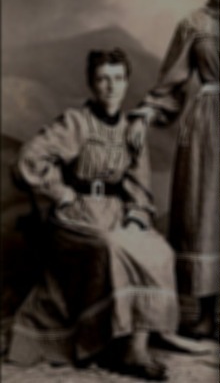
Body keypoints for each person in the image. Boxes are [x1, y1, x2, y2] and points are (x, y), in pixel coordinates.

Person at [7, 48, 178, 381]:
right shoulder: (76, 123)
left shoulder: (131, 129)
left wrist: (137, 215)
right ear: (92, 83)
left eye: (116, 78)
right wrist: (60, 192)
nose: (109, 87)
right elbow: (28, 160)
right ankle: (100, 343)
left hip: (115, 210)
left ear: (126, 82)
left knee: (156, 250)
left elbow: (139, 186)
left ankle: (134, 346)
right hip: (77, 213)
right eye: (102, 79)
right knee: (112, 247)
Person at [127, 0, 220, 339]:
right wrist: (148, 110)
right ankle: (200, 311)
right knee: (198, 212)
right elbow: (172, 80)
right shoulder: (194, 23)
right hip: (201, 124)